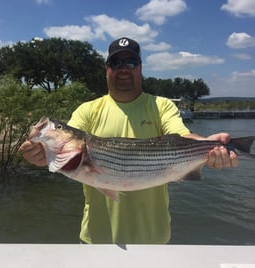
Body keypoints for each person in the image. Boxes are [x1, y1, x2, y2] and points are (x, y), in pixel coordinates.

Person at [19, 37, 238, 244]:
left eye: (131, 62)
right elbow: (62, 145)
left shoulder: (161, 106)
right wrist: (40, 153)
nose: (124, 68)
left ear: (141, 68)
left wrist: (208, 144)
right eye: (116, 62)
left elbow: (182, 138)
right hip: (96, 238)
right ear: (107, 69)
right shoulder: (87, 110)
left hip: (154, 238)